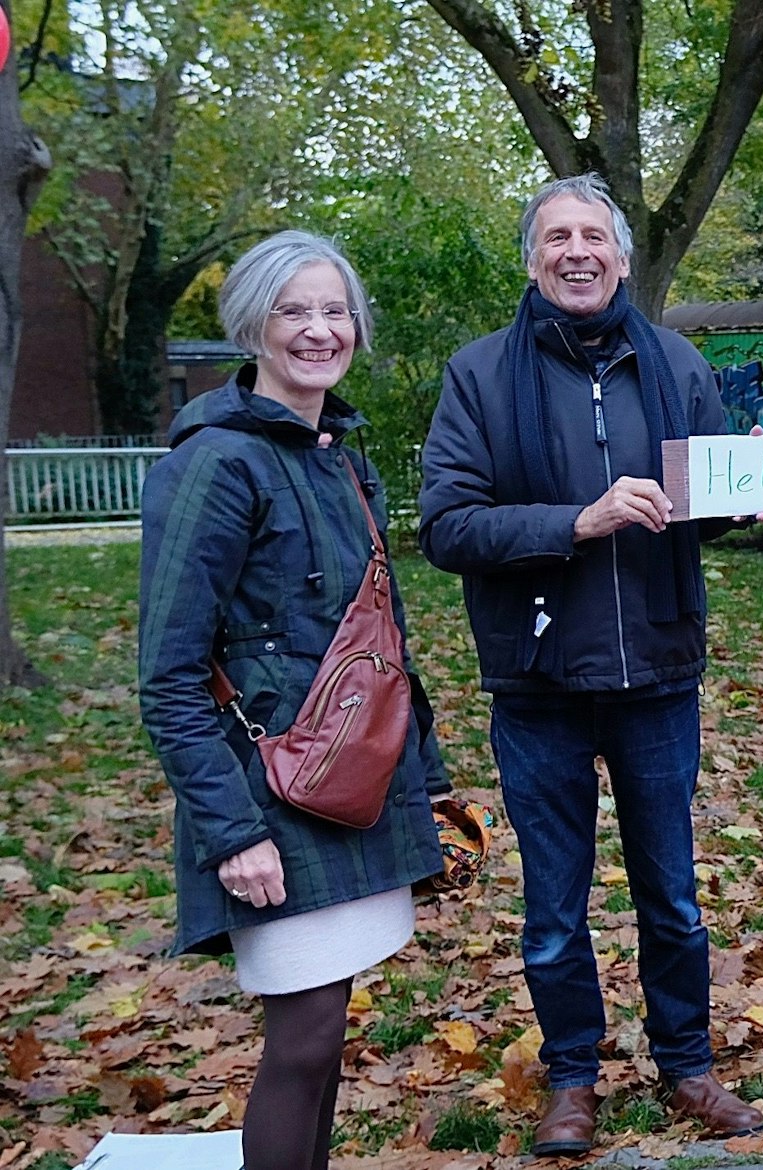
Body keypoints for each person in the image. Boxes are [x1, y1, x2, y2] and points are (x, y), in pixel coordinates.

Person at [418, 173, 762, 1151]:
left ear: (619, 255)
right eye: (556, 236)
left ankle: (687, 1066)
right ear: (533, 259)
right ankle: (572, 1078)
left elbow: (710, 496)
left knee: (672, 894)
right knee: (556, 908)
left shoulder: (678, 363)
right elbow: (447, 524)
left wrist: (755, 495)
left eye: (593, 236)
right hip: (539, 687)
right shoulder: (480, 376)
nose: (577, 251)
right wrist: (579, 521)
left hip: (657, 676)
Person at [137, 231, 449, 1170]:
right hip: (268, 795)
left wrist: (424, 779)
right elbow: (168, 677)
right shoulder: (214, 463)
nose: (319, 330)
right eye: (294, 311)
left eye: (335, 309)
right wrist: (233, 832)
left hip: (352, 783)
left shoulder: (342, 457)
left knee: (325, 1040)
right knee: (302, 1041)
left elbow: (377, 641)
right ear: (253, 326)